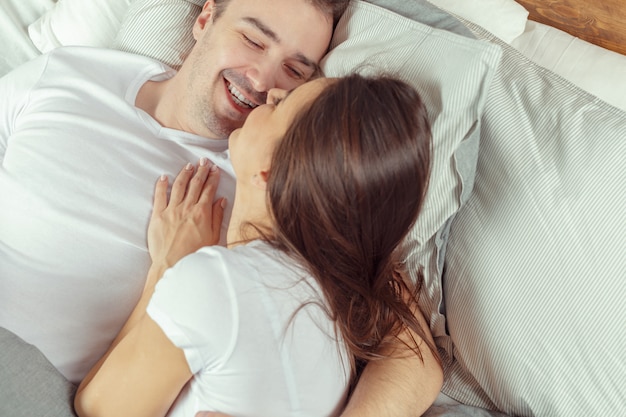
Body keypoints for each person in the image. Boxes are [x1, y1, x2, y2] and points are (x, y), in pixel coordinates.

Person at [0, 0, 347, 384]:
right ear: (204, 19)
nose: (263, 81)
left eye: (294, 71)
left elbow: (398, 339)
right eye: (253, 40)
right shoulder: (67, 74)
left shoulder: (268, 189)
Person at [73, 73, 443, 417]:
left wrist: (166, 267)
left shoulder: (216, 285)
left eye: (283, 105)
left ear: (267, 172)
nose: (274, 92)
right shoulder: (340, 311)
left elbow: (94, 409)